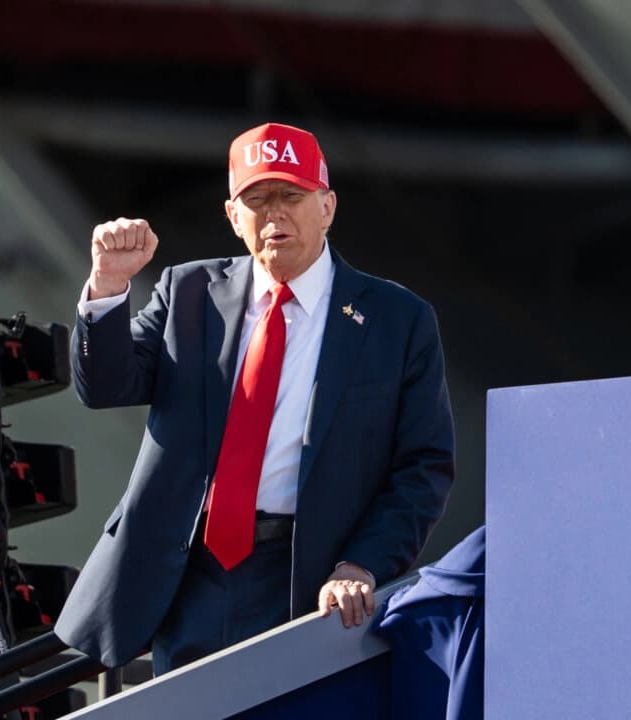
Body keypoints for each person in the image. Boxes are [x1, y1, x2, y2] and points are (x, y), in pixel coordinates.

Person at [54, 122, 455, 674]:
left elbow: (423, 467)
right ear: (232, 216)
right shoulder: (187, 292)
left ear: (327, 207)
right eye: (256, 199)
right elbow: (103, 388)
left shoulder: (397, 320)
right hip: (187, 573)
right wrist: (107, 288)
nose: (274, 214)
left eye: (292, 195)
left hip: (308, 577)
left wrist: (362, 565)